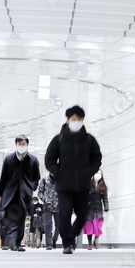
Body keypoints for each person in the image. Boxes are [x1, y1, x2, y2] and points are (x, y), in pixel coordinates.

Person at [45, 105, 103, 255]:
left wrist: (89, 172)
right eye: (73, 119)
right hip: (64, 185)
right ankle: (66, 243)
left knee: (83, 215)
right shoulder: (58, 140)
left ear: (83, 120)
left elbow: (97, 158)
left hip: (83, 185)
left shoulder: (89, 140)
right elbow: (49, 160)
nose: (76, 122)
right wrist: (58, 172)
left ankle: (72, 235)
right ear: (67, 120)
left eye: (79, 119)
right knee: (64, 215)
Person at [0, 135, 41, 252]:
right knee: (11, 218)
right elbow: (3, 178)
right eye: (20, 144)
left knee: (21, 219)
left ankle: (17, 242)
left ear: (27, 145)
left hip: (24, 195)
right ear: (16, 144)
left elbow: (37, 178)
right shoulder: (9, 159)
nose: (22, 146)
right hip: (10, 193)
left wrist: (31, 187)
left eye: (24, 144)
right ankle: (12, 242)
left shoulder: (33, 160)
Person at [84, 171, 109, 250]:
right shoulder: (89, 184)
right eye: (96, 173)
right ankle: (90, 243)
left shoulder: (103, 186)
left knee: (98, 226)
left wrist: (106, 208)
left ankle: (95, 240)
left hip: (98, 209)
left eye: (99, 173)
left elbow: (105, 199)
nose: (98, 175)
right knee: (89, 226)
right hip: (89, 208)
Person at [36, 173, 60, 250]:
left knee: (59, 225)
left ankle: (54, 240)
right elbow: (39, 193)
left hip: (58, 206)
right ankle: (48, 244)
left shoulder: (61, 180)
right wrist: (45, 200)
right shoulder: (44, 180)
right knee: (48, 224)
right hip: (47, 206)